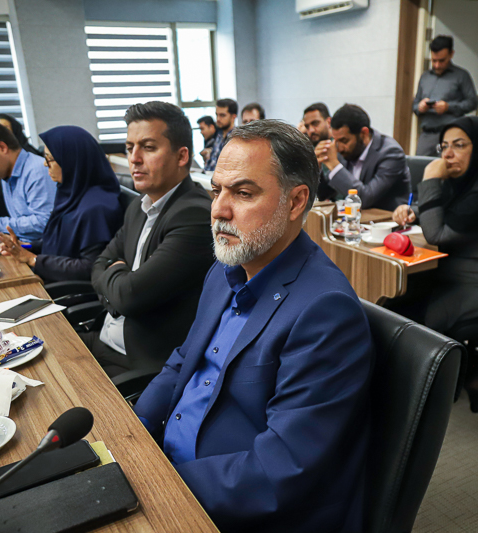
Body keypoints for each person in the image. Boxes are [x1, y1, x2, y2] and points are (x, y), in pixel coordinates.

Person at [135, 119, 373, 533]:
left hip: (223, 506)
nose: (219, 210)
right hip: (166, 468)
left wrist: (156, 485)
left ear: (296, 202)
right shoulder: (225, 269)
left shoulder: (325, 311)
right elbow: (181, 363)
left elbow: (279, 469)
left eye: (243, 193)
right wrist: (129, 437)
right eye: (216, 191)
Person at [87, 102, 214, 378]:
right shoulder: (138, 205)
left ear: (182, 156)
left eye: (148, 147)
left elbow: (130, 296)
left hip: (138, 364)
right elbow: (98, 264)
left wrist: (116, 280)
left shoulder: (194, 215)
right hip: (102, 339)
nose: (134, 158)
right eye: (129, 147)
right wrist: (118, 288)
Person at [391, 116, 478, 333]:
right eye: (444, 146)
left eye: (459, 145)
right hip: (458, 270)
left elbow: (437, 234)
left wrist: (430, 180)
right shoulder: (473, 178)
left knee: (412, 327)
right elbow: (452, 210)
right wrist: (414, 212)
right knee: (394, 301)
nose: (447, 154)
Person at [0, 126, 124, 283]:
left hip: (69, 290)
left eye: (50, 159)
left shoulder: (97, 208)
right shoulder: (72, 194)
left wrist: (33, 260)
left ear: (71, 161)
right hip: (53, 278)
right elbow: (61, 241)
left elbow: (90, 267)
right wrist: (24, 246)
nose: (45, 164)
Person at [315, 103, 410, 210]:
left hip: (386, 217)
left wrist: (335, 166)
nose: (339, 148)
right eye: (335, 141)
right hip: (355, 217)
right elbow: (324, 194)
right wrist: (316, 168)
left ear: (364, 133)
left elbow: (364, 199)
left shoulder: (391, 153)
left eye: (344, 141)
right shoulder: (347, 151)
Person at [413, 35, 478, 156]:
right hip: (427, 135)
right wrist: (420, 107)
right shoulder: (425, 77)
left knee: (448, 166)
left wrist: (448, 107)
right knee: (420, 166)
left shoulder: (461, 76)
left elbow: (472, 102)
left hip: (451, 135)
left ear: (451, 54)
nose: (437, 65)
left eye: (442, 61)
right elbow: (415, 104)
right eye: (434, 61)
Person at [203, 98, 238, 172]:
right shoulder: (219, 135)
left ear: (233, 117)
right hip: (209, 175)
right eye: (217, 115)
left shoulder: (237, 139)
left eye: (222, 115)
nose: (218, 119)